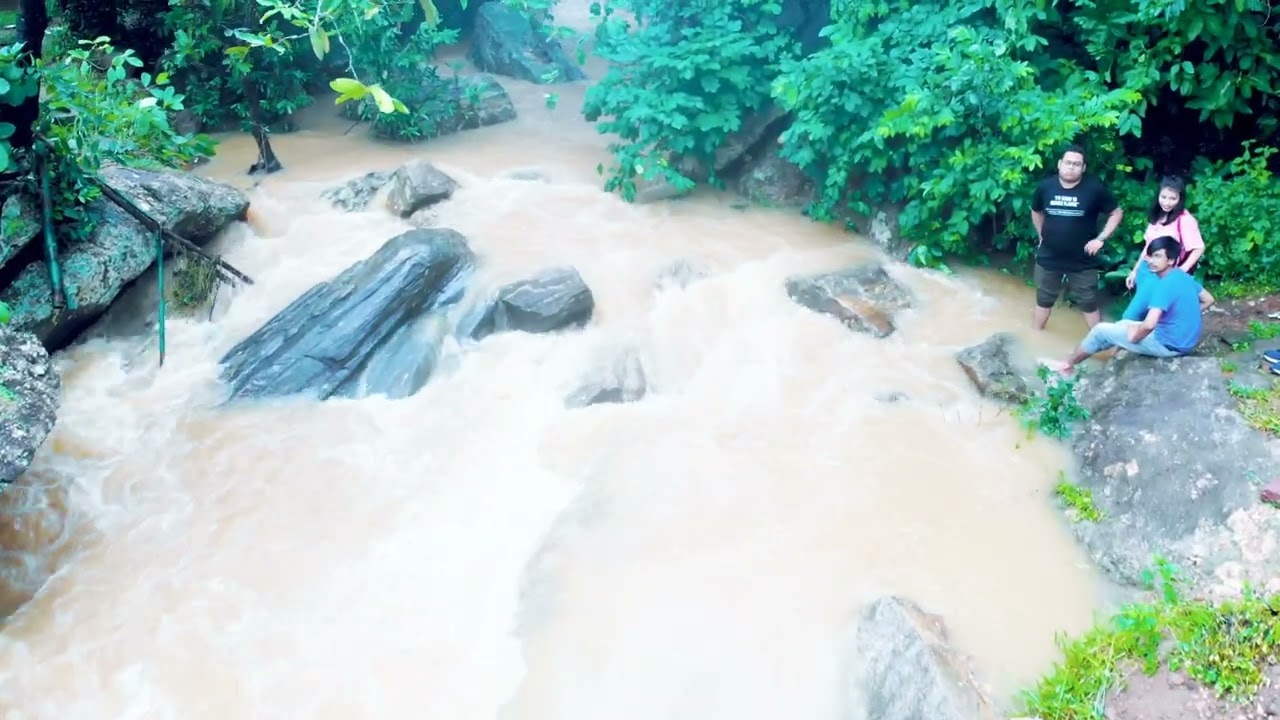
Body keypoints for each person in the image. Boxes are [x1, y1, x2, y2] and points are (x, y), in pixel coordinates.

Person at [1051, 236, 1215, 376]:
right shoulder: (1182, 276)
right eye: (1149, 256)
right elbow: (1208, 300)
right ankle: (1086, 352)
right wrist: (1183, 319)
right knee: (1121, 325)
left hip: (1169, 345)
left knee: (1100, 330)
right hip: (1185, 341)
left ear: (1171, 260)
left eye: (1157, 256)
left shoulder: (1164, 285)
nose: (1150, 261)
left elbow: (1149, 324)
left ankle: (1067, 365)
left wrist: (1134, 336)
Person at [1031, 144, 1124, 330]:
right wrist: (1041, 234)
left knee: (1088, 302)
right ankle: (1035, 336)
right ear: (1059, 164)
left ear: (1083, 168)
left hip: (1082, 260)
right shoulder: (1045, 187)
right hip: (1049, 255)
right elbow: (1036, 211)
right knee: (1043, 299)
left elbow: (1116, 213)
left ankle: (1100, 345)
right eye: (1068, 162)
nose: (1071, 167)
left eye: (1076, 164)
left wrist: (1101, 239)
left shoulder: (1094, 188)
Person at [1121, 175, 1206, 321]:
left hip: (1162, 275)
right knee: (1147, 313)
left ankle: (1121, 339)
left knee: (1130, 316)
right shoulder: (1158, 215)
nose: (1167, 202)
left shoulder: (1185, 220)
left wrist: (1181, 271)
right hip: (1145, 270)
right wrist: (1135, 271)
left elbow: (1199, 248)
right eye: (1164, 197)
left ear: (1180, 199)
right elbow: (1148, 246)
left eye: (1173, 198)